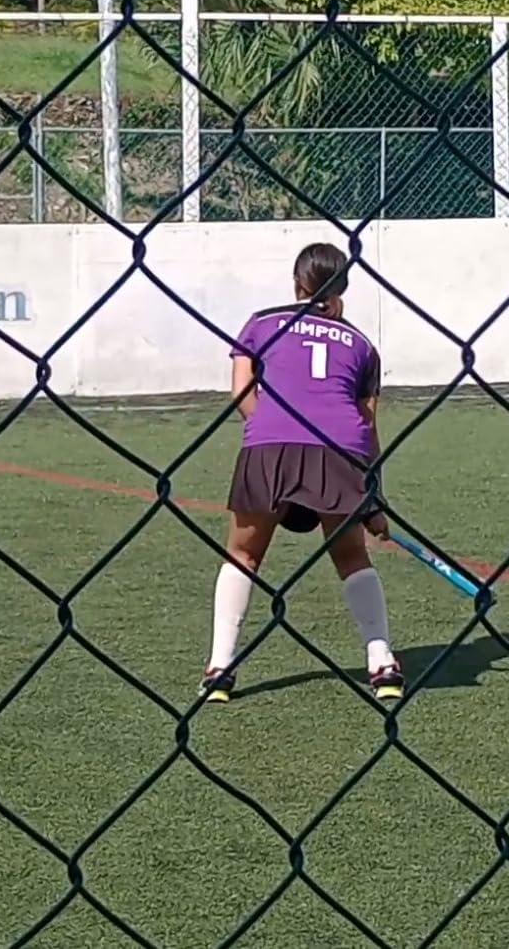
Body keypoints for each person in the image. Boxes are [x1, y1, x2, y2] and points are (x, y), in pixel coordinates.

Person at [202, 241, 402, 705]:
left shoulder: (261, 323)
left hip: (269, 444)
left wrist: (273, 430)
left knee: (242, 556)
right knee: (352, 557)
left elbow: (241, 392)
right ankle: (383, 664)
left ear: (296, 285)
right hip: (340, 451)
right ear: (343, 291)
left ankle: (219, 669)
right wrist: (372, 500)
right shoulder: (362, 344)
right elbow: (367, 426)